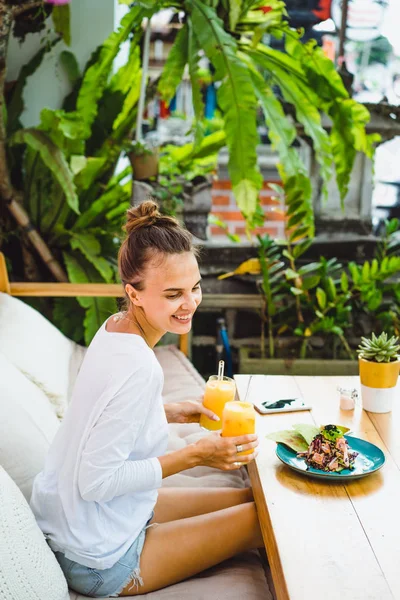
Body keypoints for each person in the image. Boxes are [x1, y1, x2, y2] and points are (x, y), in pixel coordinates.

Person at [30, 200, 263, 598]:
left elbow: (102, 416)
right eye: (173, 294)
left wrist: (168, 412)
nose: (189, 303)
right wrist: (198, 455)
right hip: (99, 556)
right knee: (267, 519)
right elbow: (97, 481)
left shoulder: (113, 328)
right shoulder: (141, 366)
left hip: (80, 521)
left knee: (250, 497)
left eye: (195, 288)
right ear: (133, 293)